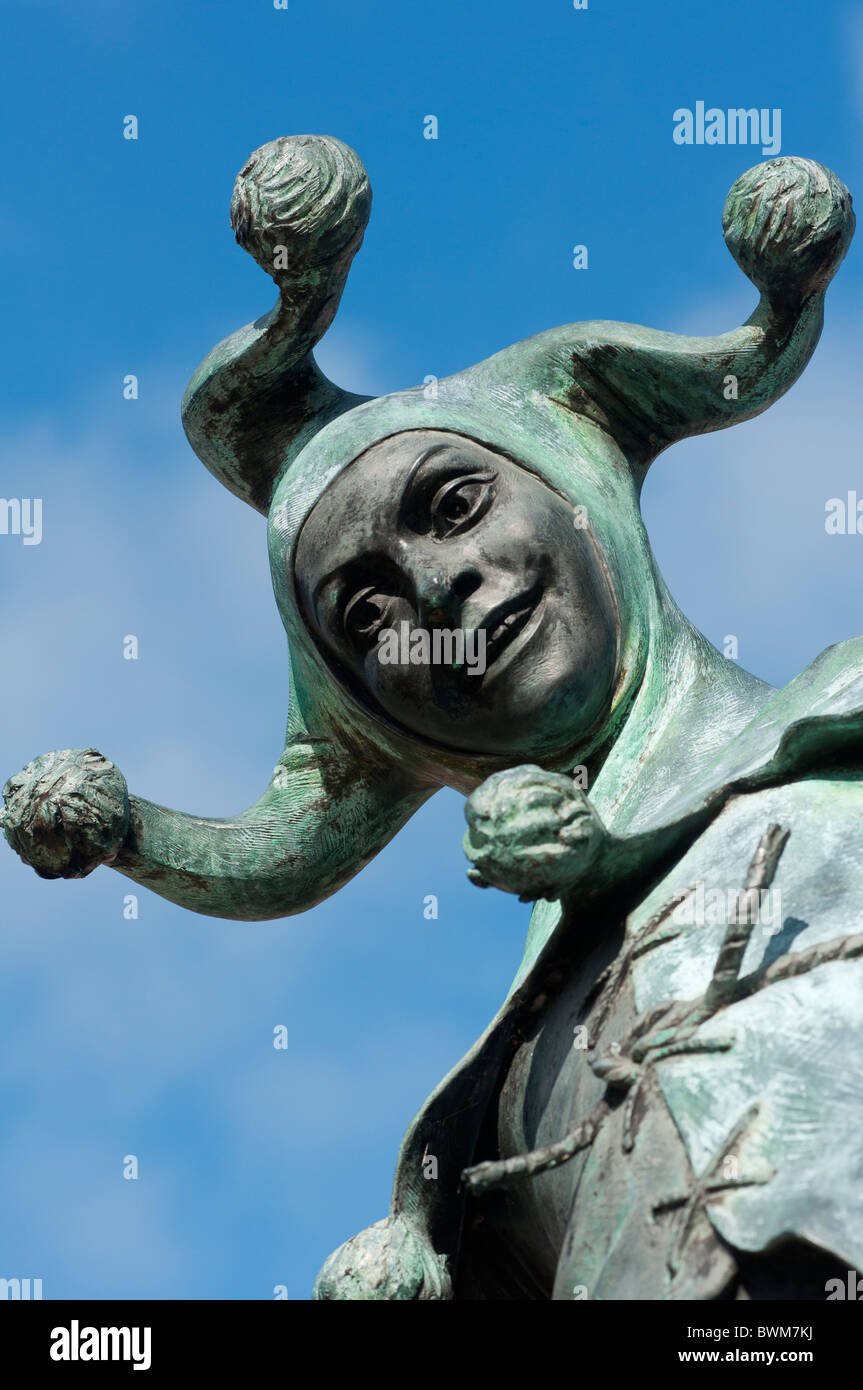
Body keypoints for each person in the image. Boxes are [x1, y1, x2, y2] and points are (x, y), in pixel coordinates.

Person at [3, 136, 858, 1299]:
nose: (433, 585)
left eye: (455, 504)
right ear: (370, 715)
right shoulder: (492, 1132)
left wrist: (783, 296)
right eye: (363, 609)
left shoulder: (843, 725)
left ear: (577, 492)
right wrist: (127, 833)